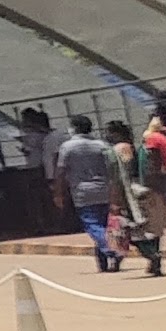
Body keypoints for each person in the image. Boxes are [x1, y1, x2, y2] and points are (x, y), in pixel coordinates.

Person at [52, 113, 124, 272]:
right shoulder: (102, 145)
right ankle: (104, 262)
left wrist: (58, 193)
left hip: (82, 192)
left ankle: (111, 249)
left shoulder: (67, 147)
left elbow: (61, 172)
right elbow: (113, 169)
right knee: (104, 226)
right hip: (104, 189)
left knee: (92, 225)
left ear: (74, 128)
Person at [112, 117, 166, 276]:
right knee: (152, 229)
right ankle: (155, 260)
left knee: (131, 230)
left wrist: (116, 198)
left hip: (132, 194)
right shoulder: (138, 147)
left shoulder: (119, 149)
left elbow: (120, 175)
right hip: (147, 190)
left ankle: (151, 255)